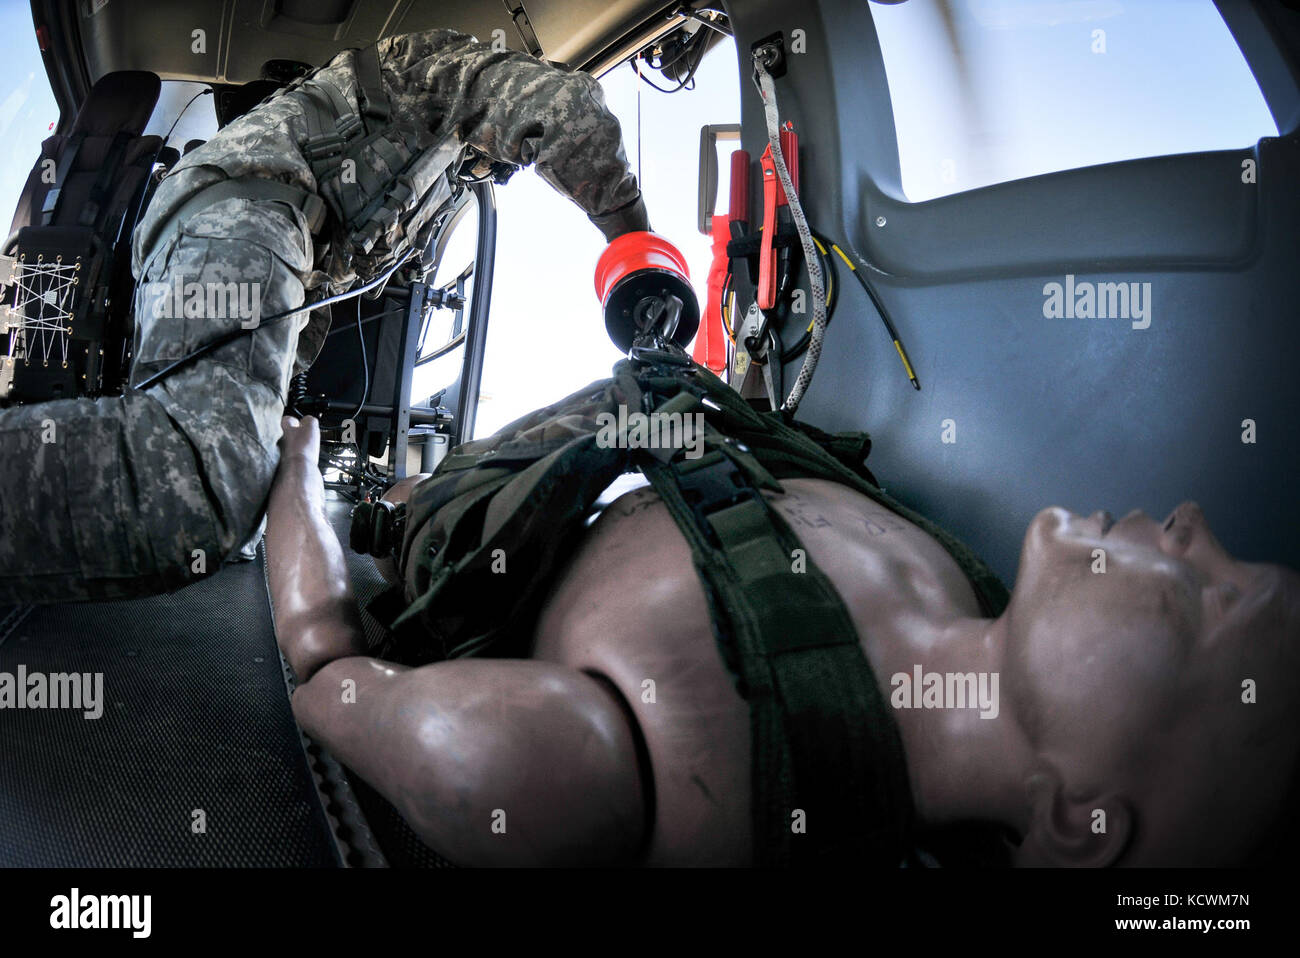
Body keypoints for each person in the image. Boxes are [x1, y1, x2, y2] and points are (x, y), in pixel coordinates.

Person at [266, 413, 1300, 867]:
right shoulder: (949, 573)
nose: (1193, 524)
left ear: (1077, 818)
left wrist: (294, 462)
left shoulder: (590, 765)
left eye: (1209, 598)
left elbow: (323, 663)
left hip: (438, 528)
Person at [0, 28, 647, 603]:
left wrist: (278, 411)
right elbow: (568, 107)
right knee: (198, 487)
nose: (499, 166)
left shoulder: (427, 168)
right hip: (247, 206)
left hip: (241, 221)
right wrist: (638, 253)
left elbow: (312, 294)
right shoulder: (457, 69)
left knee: (231, 484)